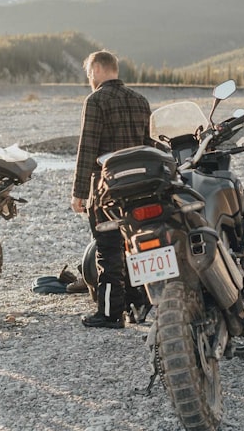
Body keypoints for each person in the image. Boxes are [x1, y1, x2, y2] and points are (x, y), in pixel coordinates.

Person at [71, 50, 152, 329]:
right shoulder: (140, 101)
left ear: (96, 71)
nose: (89, 79)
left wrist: (79, 193)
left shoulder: (95, 101)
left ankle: (109, 313)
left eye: (89, 74)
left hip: (106, 191)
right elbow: (147, 146)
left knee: (108, 249)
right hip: (140, 188)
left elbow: (87, 149)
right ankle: (139, 301)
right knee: (134, 246)